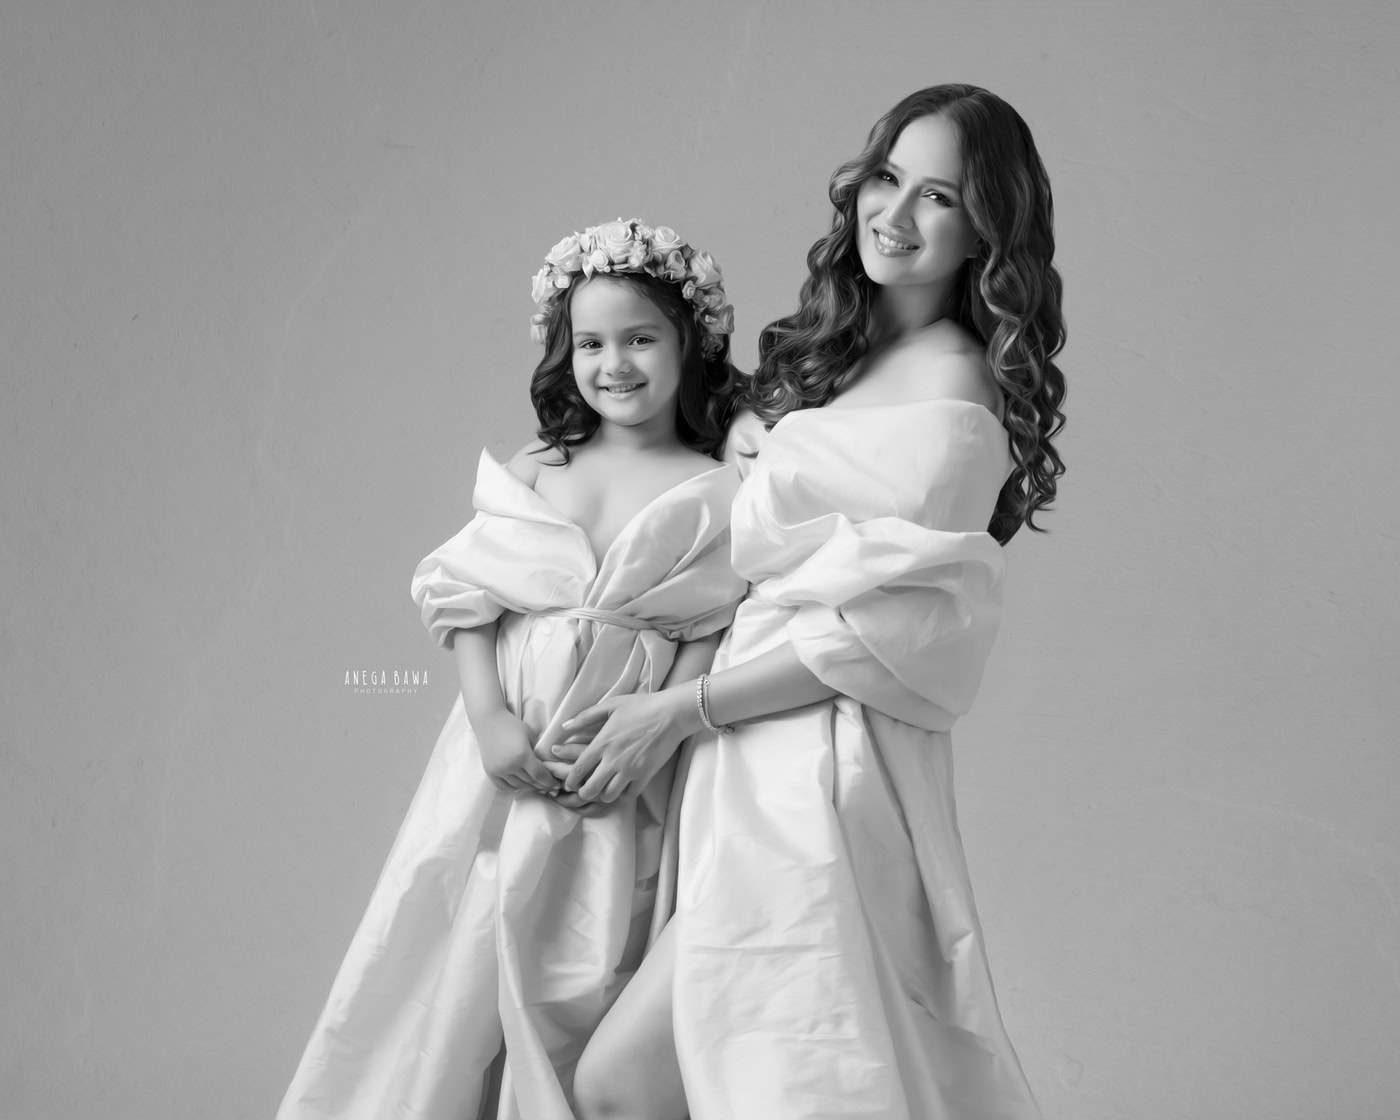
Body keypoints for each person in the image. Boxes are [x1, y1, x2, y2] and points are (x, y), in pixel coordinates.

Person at [557, 85, 1067, 1119]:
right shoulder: (837, 356)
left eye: (938, 197)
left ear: (984, 232)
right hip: (752, 756)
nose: (893, 214)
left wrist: (674, 712)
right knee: (706, 1080)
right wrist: (754, 431)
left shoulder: (957, 402)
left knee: (661, 1082)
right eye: (886, 177)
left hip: (821, 770)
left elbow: (884, 637)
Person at [277, 219, 749, 1120]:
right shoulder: (542, 469)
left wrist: (653, 742)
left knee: (589, 968)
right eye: (591, 343)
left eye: (641, 338)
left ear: (692, 345)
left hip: (620, 769)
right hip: (508, 760)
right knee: (472, 962)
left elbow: (709, 622)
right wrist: (491, 719)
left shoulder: (714, 482)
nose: (614, 363)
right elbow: (468, 600)